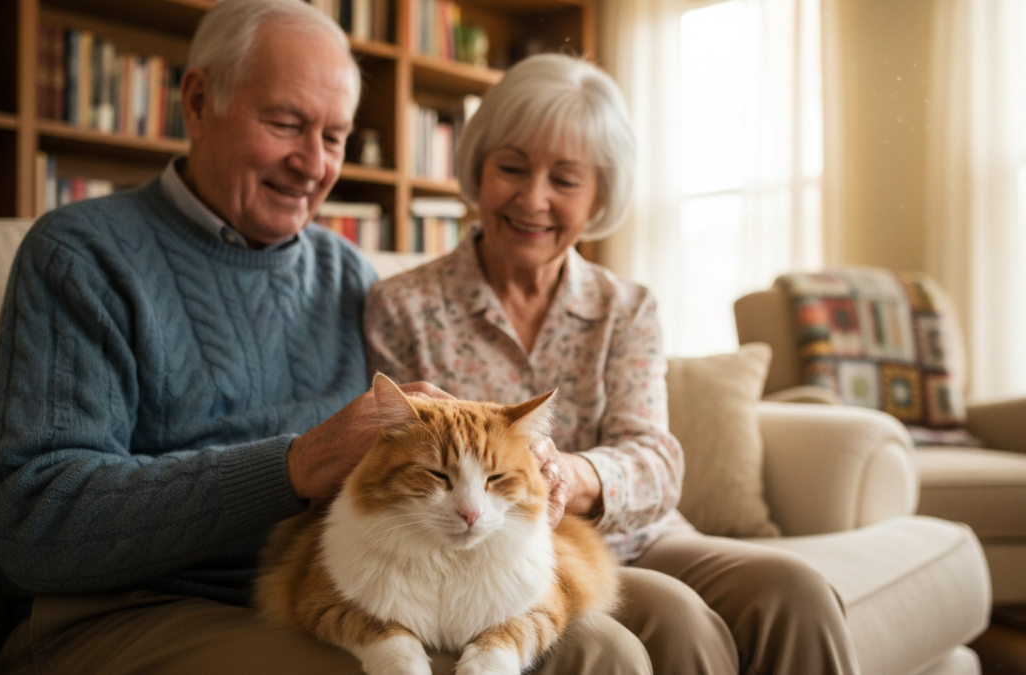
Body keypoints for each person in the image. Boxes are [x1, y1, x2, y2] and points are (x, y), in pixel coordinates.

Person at [0, 2, 649, 674]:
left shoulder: (346, 274)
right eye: (286, 123)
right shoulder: (81, 256)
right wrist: (294, 465)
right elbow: (30, 517)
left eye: (335, 136)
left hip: (324, 588)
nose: (313, 164)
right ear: (199, 101)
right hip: (132, 604)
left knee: (605, 651)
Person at [364, 53, 861, 675]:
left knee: (796, 590)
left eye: (565, 181)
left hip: (647, 534)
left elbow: (655, 457)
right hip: (514, 557)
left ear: (599, 195)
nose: (533, 199)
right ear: (478, 167)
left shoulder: (625, 308)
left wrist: (571, 475)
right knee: (678, 620)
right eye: (511, 168)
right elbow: (387, 464)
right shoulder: (403, 306)